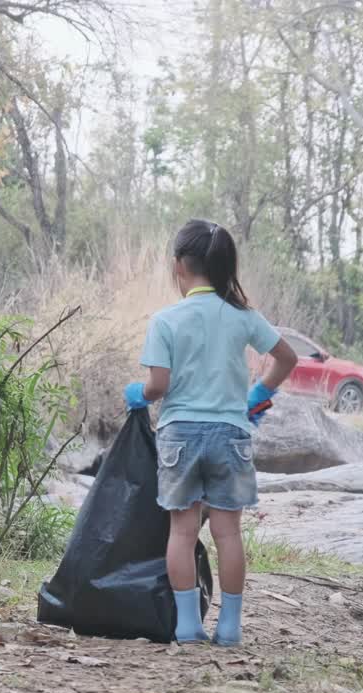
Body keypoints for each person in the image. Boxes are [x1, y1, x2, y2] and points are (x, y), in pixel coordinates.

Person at [123, 219, 298, 646]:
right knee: (228, 533)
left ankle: (187, 626)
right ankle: (230, 626)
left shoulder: (166, 320)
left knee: (182, 532)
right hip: (230, 435)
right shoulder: (242, 316)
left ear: (179, 266)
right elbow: (287, 358)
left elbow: (159, 386)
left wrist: (138, 394)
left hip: (179, 436)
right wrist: (257, 394)